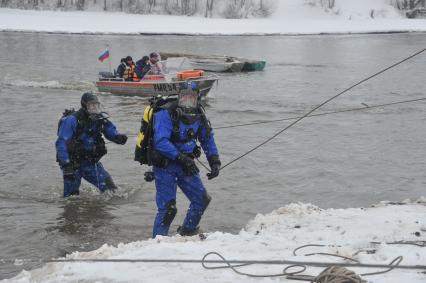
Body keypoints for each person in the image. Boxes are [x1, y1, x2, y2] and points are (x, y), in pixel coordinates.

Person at [150, 82, 221, 237]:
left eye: (192, 98)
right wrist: (181, 158)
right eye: (184, 97)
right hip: (165, 165)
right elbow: (160, 142)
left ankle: (187, 232)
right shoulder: (165, 113)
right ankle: (156, 244)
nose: (188, 101)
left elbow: (207, 139)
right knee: (168, 209)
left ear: (197, 99)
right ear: (179, 97)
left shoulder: (199, 115)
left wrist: (214, 161)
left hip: (187, 165)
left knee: (202, 200)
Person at [56, 92, 128, 197]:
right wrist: (66, 165)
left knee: (111, 190)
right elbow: (61, 143)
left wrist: (117, 137)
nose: (94, 108)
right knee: (71, 198)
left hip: (90, 162)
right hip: (73, 164)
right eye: (91, 105)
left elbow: (109, 130)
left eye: (96, 105)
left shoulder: (99, 119)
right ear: (84, 105)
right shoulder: (71, 120)